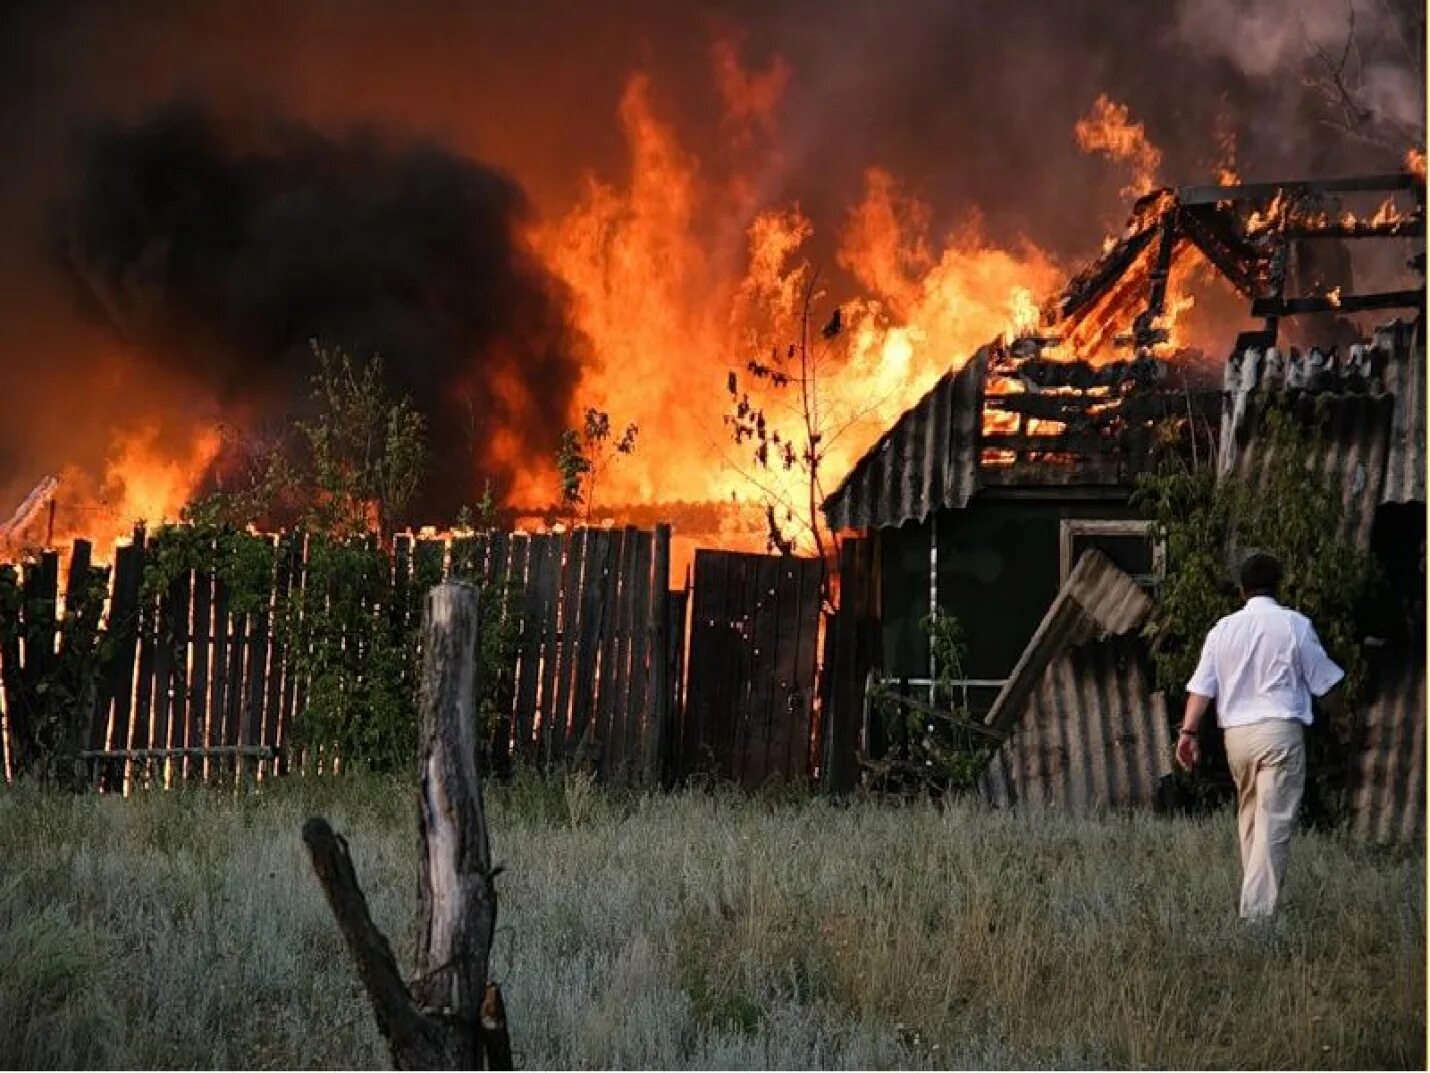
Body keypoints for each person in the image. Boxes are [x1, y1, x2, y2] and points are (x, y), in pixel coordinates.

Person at [1176, 551, 1347, 919]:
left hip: (1236, 738)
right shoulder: (1295, 625)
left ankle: (1255, 908)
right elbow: (1326, 684)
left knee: (1252, 819)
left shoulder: (1222, 630)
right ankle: (1256, 921)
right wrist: (1343, 716)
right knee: (1274, 823)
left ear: (1242, 590)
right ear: (1278, 586)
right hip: (1280, 733)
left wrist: (1188, 732)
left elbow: (1201, 690)